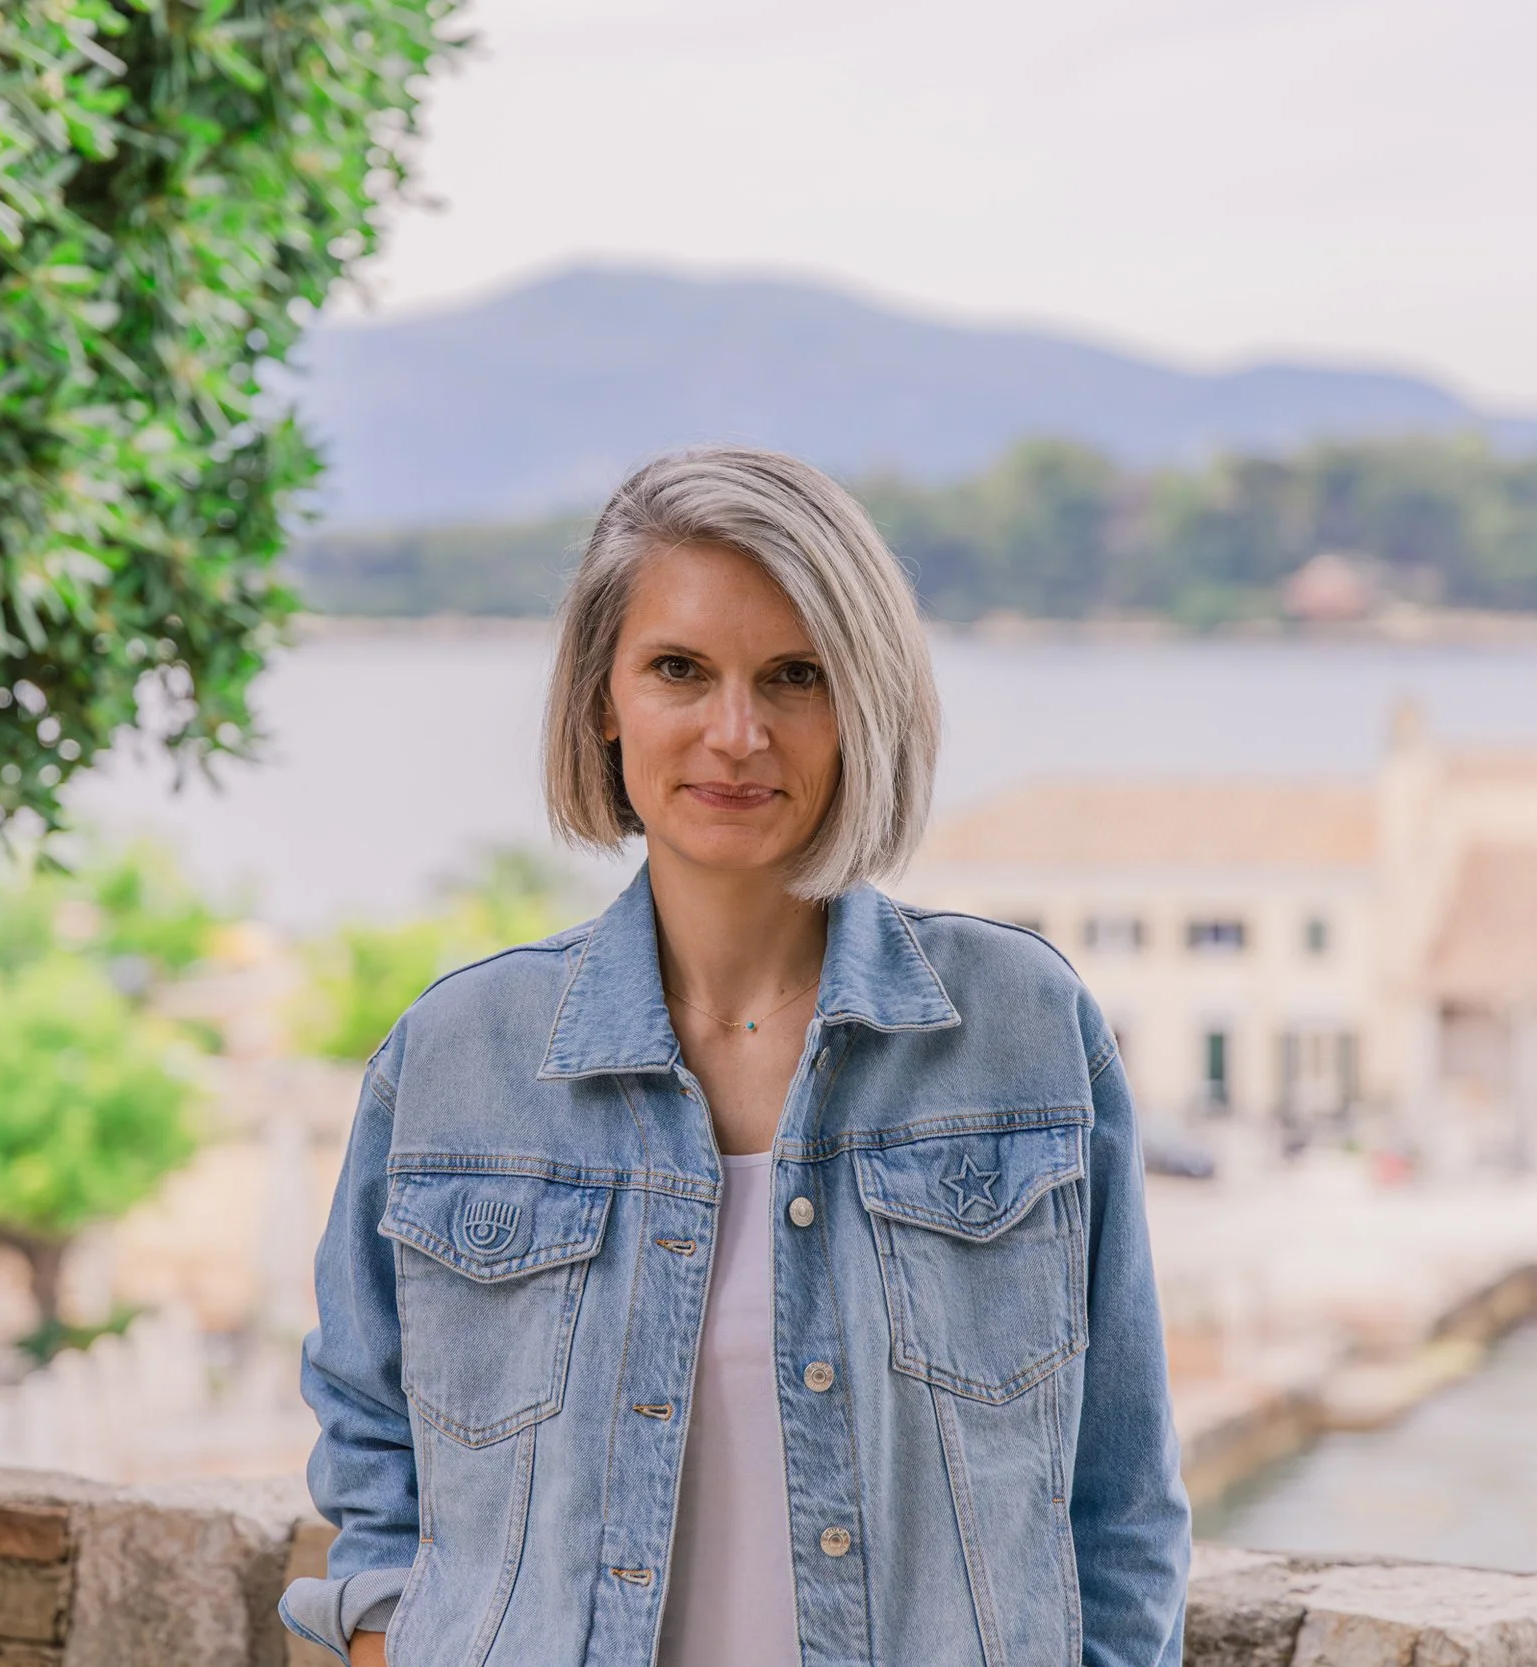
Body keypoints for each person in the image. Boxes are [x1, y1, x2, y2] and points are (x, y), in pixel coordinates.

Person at [281, 446, 1191, 1666]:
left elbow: (1119, 1498)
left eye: (793, 676)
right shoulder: (455, 1060)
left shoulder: (1022, 1031)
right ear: (603, 701)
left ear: (860, 701)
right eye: (678, 670)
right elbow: (372, 1442)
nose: (736, 732)